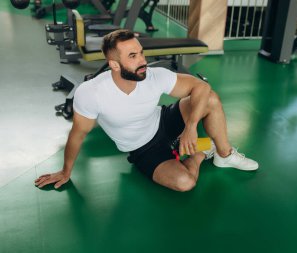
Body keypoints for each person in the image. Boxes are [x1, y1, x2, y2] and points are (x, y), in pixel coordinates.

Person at [34, 29, 259, 192]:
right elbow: (77, 134)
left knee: (209, 98)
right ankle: (201, 153)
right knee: (185, 183)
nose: (142, 60)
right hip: (142, 148)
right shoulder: (91, 92)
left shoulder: (153, 75)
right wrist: (65, 171)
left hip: (162, 121)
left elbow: (201, 86)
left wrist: (190, 127)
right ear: (114, 64)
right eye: (133, 56)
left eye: (141, 53)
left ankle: (224, 155)